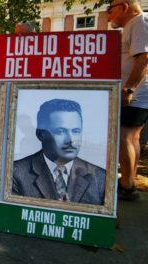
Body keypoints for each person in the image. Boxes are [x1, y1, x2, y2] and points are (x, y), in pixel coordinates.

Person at [12, 99, 106, 205]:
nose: (70, 140)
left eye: (76, 131)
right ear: (40, 134)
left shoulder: (99, 177)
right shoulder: (16, 173)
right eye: (60, 131)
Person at [108, 0, 147, 201]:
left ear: (123, 6)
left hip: (135, 94)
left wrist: (129, 89)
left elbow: (144, 58)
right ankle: (129, 182)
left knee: (125, 137)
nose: (108, 16)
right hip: (136, 94)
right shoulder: (136, 24)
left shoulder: (140, 21)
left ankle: (126, 186)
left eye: (110, 10)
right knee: (132, 138)